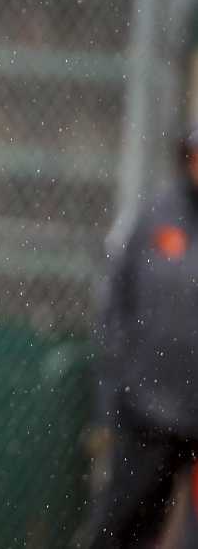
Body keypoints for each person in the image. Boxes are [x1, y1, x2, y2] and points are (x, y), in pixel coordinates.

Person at [85, 128, 198, 548]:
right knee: (126, 523)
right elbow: (115, 302)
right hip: (150, 410)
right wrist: (121, 382)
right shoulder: (155, 216)